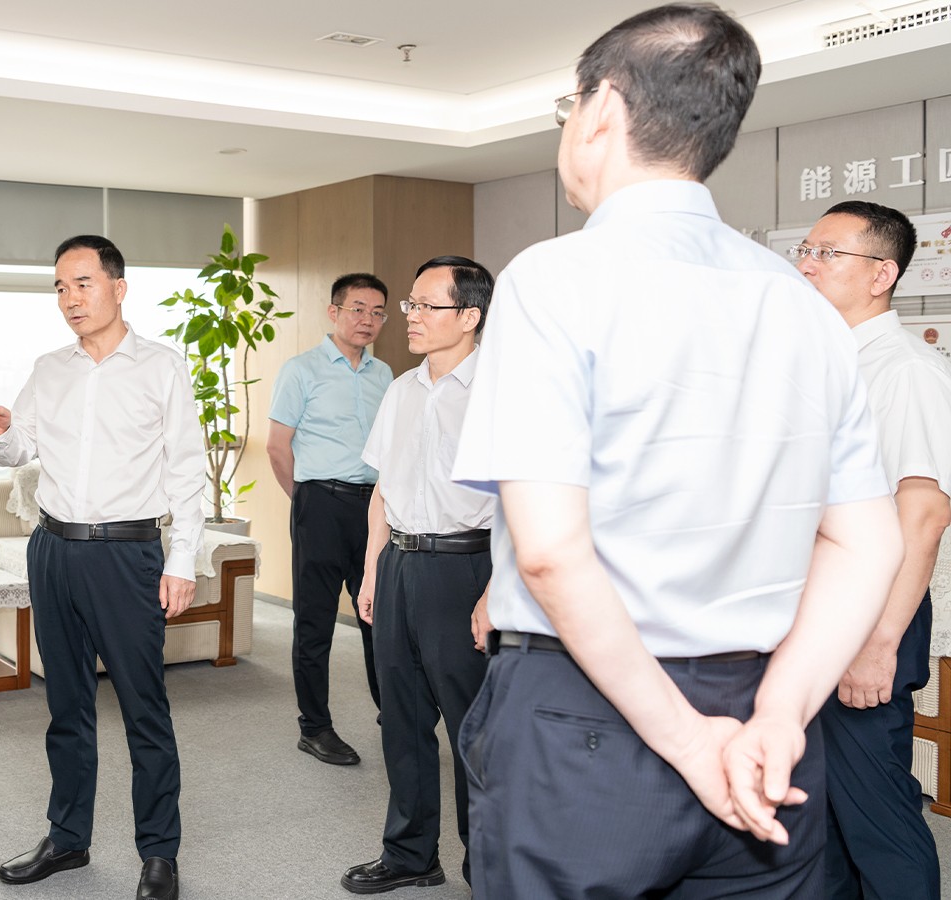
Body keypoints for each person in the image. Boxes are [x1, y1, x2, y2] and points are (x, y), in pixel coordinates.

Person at [450, 5, 905, 896]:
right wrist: (780, 713)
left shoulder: (554, 279)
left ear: (601, 110)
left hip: (587, 721)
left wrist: (689, 741)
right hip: (765, 725)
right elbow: (868, 542)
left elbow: (549, 551)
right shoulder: (804, 307)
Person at [0, 234, 203, 900]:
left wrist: (182, 560)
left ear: (118, 288)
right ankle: (67, 838)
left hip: (126, 554)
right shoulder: (50, 368)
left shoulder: (162, 367)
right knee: (66, 706)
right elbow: (21, 448)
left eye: (83, 283)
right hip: (53, 550)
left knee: (144, 709)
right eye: (61, 287)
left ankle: (159, 852)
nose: (70, 298)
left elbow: (187, 471)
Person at [795, 200, 948, 898]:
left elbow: (925, 515)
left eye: (828, 253)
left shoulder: (905, 369)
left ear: (882, 274)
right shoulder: (826, 363)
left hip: (866, 621)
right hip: (812, 615)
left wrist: (878, 644)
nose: (807, 265)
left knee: (875, 814)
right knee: (819, 816)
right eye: (805, 250)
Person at [340, 257, 494, 894]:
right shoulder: (401, 389)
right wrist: (373, 570)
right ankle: (409, 854)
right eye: (411, 304)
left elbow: (524, 503)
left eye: (427, 305)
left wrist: (496, 592)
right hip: (399, 564)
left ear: (470, 315)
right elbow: (383, 489)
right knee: (400, 718)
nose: (410, 316)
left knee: (472, 728)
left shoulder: (501, 391)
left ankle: (488, 865)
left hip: (466, 569)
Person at [267, 272, 392, 766]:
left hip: (374, 508)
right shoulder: (301, 370)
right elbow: (278, 447)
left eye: (377, 312)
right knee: (315, 622)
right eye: (358, 309)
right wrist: (305, 500)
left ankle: (393, 711)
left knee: (380, 616)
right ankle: (315, 727)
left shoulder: (384, 375)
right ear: (334, 312)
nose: (367, 320)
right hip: (319, 503)